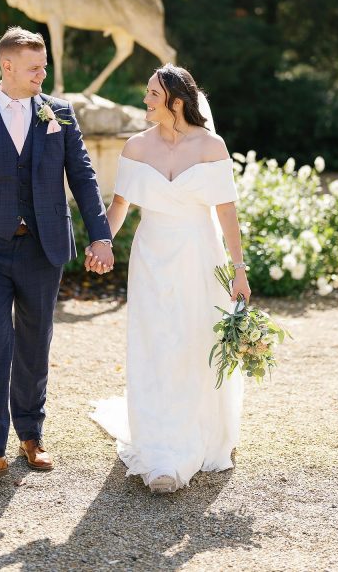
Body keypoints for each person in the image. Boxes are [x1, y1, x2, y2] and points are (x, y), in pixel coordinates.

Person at [0, 26, 113, 483]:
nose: (43, 73)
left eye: (44, 65)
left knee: (35, 343)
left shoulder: (59, 113)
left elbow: (83, 177)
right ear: (8, 66)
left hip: (43, 248)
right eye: (35, 66)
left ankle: (31, 436)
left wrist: (102, 237)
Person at [91, 64, 251, 494]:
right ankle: (160, 449)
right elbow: (120, 207)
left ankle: (193, 437)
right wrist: (101, 242)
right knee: (155, 342)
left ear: (176, 102)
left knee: (194, 342)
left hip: (199, 255)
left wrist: (239, 270)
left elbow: (226, 212)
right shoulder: (136, 147)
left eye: (151, 94)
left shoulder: (210, 146)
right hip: (151, 257)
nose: (145, 99)